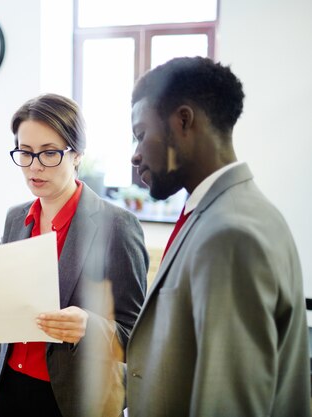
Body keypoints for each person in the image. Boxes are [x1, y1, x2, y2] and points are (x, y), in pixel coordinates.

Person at [126, 56, 311, 416]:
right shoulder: (232, 210)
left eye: (140, 134)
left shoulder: (229, 234)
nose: (135, 155)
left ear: (183, 120)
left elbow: (228, 403)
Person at [0, 93, 148, 417]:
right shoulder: (15, 218)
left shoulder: (117, 226)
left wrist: (88, 327)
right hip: (9, 385)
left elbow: (136, 338)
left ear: (76, 154)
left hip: (73, 398)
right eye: (25, 153)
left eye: (49, 153)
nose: (34, 167)